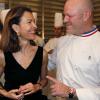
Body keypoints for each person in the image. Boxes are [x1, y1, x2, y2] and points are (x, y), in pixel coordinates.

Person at [47, 0, 100, 100]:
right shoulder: (62, 41)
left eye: (69, 15)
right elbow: (48, 63)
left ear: (85, 15)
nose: (65, 20)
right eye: (64, 15)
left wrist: (72, 92)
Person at [0, 6, 48, 100]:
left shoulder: (42, 53)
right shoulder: (3, 55)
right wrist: (6, 94)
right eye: (29, 22)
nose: (35, 26)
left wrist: (37, 86)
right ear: (16, 28)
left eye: (34, 22)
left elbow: (44, 80)